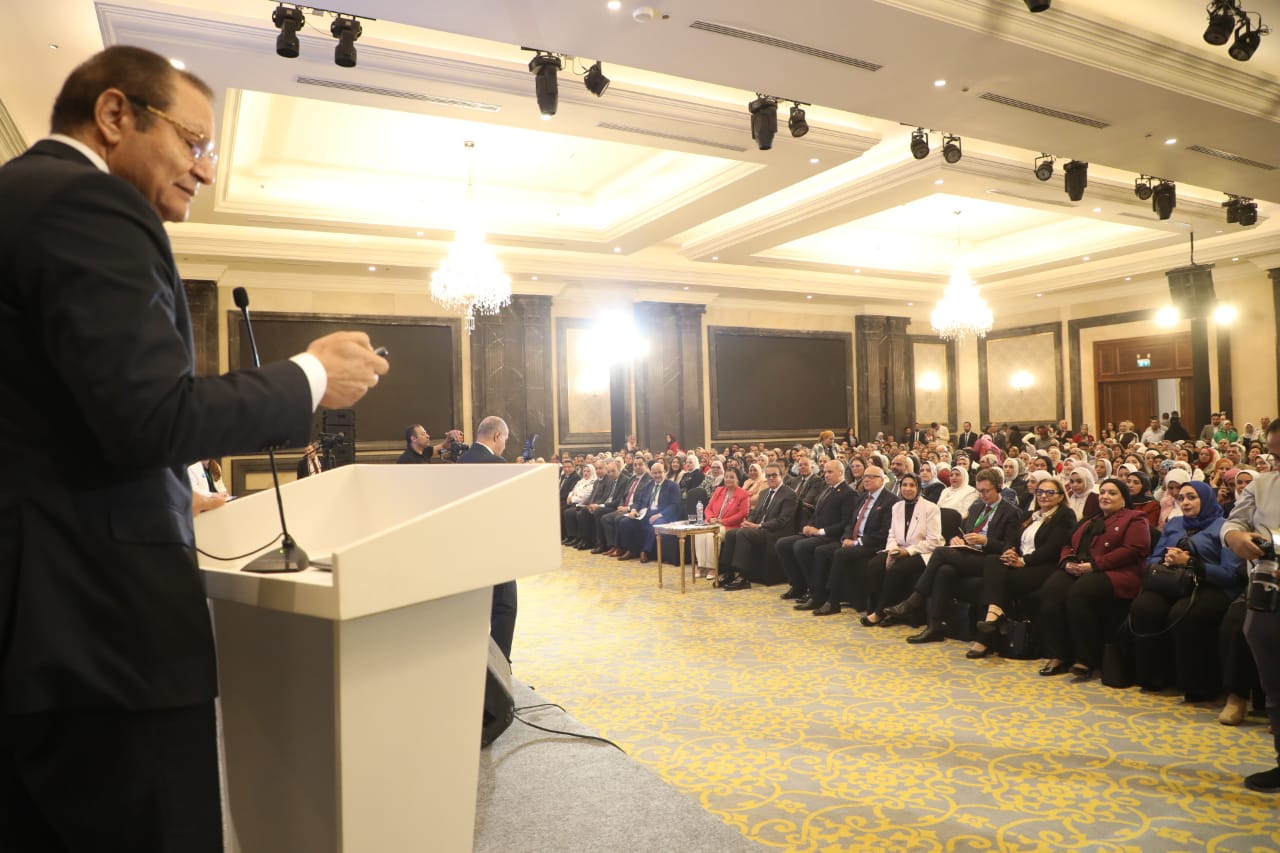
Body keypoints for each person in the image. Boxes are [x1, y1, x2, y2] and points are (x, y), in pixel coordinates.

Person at [0, 46, 388, 852]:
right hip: (101, 639)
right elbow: (149, 417)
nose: (205, 169)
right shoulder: (88, 203)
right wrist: (311, 374)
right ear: (115, 115)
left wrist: (177, 499)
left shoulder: (18, 198)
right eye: (193, 141)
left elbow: (63, 426)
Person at [1131, 480, 1243, 699]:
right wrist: (1164, 560)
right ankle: (1155, 677)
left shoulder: (1225, 528)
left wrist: (1191, 562)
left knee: (1184, 614)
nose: (1185, 502)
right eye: (1181, 498)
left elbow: (1231, 574)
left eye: (1192, 497)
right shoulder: (1175, 523)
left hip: (1212, 585)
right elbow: (1153, 556)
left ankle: (1197, 685)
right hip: (1172, 581)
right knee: (1144, 607)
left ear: (1206, 499)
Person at [884, 469, 1023, 644]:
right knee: (944, 570)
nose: (982, 495)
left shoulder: (1011, 512)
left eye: (986, 491)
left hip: (990, 560)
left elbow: (1009, 546)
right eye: (979, 491)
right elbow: (962, 532)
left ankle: (914, 600)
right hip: (969, 554)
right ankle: (934, 627)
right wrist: (956, 539)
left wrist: (986, 541)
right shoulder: (976, 507)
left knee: (940, 552)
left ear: (998, 488)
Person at [1037, 478, 1153, 681]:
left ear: (1123, 498)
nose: (1105, 496)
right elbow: (1067, 544)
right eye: (1103, 492)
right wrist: (1067, 562)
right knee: (1052, 588)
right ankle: (1058, 654)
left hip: (1117, 572)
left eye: (1112, 493)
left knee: (1080, 591)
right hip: (1081, 567)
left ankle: (1086, 658)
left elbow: (1134, 550)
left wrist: (1095, 565)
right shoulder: (1090, 519)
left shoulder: (1135, 518)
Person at [1221, 418, 1280, 792]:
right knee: (1275, 683)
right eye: (1276, 456)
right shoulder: (1262, 485)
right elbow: (1232, 523)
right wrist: (1235, 538)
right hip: (1267, 592)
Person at [968, 475, 1076, 657]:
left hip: (1042, 566)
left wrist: (1023, 561)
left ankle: (985, 637)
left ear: (1060, 496)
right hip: (1019, 561)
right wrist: (1010, 551)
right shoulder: (1030, 515)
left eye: (1050, 492)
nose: (1043, 496)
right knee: (993, 560)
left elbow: (1051, 548)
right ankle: (994, 614)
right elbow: (1013, 539)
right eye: (1040, 492)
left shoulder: (1064, 516)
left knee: (997, 581)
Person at [457, 416, 519, 665]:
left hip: (467, 545)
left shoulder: (461, 461)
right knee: (505, 606)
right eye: (505, 439)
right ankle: (499, 670)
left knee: (476, 609)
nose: (504, 445)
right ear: (497, 436)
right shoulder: (496, 463)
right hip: (494, 547)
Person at [858, 473, 943, 626]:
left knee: (897, 569)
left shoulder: (931, 508)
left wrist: (907, 552)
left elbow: (934, 541)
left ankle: (881, 612)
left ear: (919, 488)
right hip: (898, 549)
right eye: (904, 485)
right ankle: (878, 608)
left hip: (921, 552)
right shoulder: (897, 506)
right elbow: (892, 534)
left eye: (912, 485)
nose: (907, 489)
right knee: (874, 565)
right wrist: (892, 550)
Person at [780, 460, 861, 611]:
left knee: (802, 546)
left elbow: (846, 522)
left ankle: (816, 592)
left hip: (832, 535)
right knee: (783, 544)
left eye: (830, 472)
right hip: (816, 532)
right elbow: (816, 514)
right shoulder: (828, 489)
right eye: (825, 472)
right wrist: (808, 525)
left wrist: (820, 531)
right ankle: (799, 585)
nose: (826, 475)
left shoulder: (849, 493)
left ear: (841, 472)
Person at [718, 463, 798, 591]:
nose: (771, 478)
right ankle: (729, 572)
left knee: (743, 534)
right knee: (732, 533)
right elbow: (755, 513)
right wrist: (747, 523)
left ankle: (743, 577)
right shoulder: (764, 492)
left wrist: (759, 525)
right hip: (758, 529)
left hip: (774, 532)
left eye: (774, 475)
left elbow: (783, 520)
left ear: (782, 476)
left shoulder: (789, 494)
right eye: (768, 475)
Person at [694, 468, 750, 578]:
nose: (728, 479)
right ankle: (701, 566)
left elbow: (742, 514)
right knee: (700, 533)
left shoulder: (743, 494)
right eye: (726, 477)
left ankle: (712, 567)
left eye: (732, 477)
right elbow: (708, 508)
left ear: (738, 479)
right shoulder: (719, 490)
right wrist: (710, 518)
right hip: (713, 523)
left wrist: (723, 521)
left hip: (729, 526)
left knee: (711, 535)